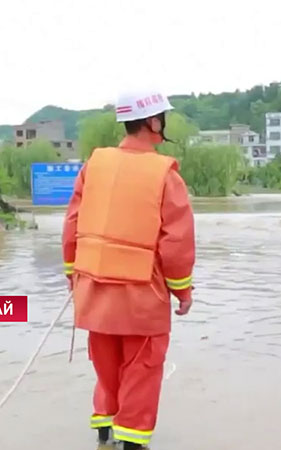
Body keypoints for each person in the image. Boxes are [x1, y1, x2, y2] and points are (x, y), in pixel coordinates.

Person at [61, 90, 195, 450]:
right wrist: (183, 292)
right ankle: (133, 442)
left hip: (93, 294)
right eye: (161, 118)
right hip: (141, 298)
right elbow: (177, 242)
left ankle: (104, 432)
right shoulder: (165, 175)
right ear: (153, 123)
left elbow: (72, 223)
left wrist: (73, 275)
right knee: (141, 371)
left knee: (107, 367)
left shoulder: (94, 164)